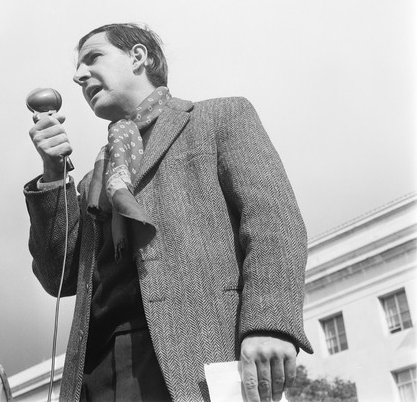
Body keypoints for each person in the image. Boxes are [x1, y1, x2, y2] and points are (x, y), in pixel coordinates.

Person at [24, 23, 313, 402]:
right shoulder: (94, 178)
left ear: (139, 57)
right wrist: (52, 173)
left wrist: (270, 324)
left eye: (93, 58)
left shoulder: (219, 118)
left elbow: (273, 224)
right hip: (96, 371)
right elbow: (56, 277)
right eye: (78, 70)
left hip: (193, 357)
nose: (79, 76)